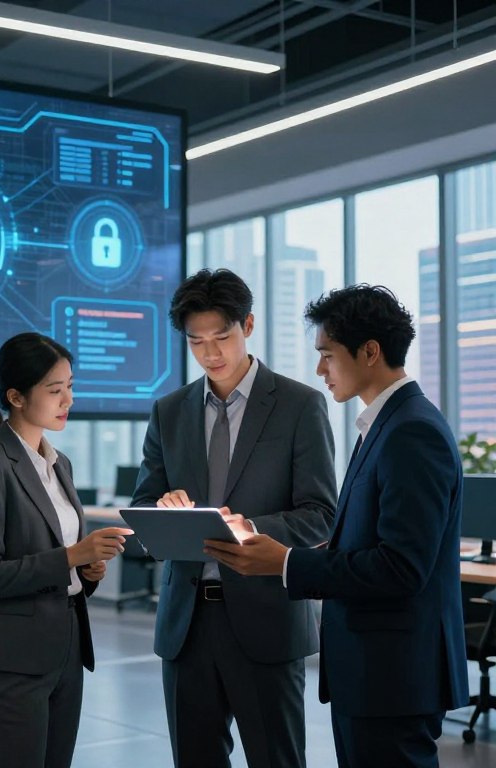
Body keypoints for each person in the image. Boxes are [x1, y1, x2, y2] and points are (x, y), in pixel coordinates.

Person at [205, 284, 469, 768]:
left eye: (327, 355)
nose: (320, 369)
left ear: (369, 352)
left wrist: (286, 562)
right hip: (375, 673)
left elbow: (400, 568)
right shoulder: (387, 425)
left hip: (393, 675)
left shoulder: (411, 432)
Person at [131, 268, 337, 768]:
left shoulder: (299, 405)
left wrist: (246, 530)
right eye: (196, 342)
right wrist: (161, 508)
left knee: (276, 759)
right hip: (186, 624)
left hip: (266, 620)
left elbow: (322, 515)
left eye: (222, 337)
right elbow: (143, 507)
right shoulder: (169, 411)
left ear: (248, 325)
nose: (210, 353)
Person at [0, 331, 132, 768]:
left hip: (66, 649)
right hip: (12, 659)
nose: (67, 399)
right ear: (15, 396)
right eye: (55, 390)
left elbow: (57, 560)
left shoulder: (59, 463)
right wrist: (72, 557)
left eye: (70, 386)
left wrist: (86, 571)